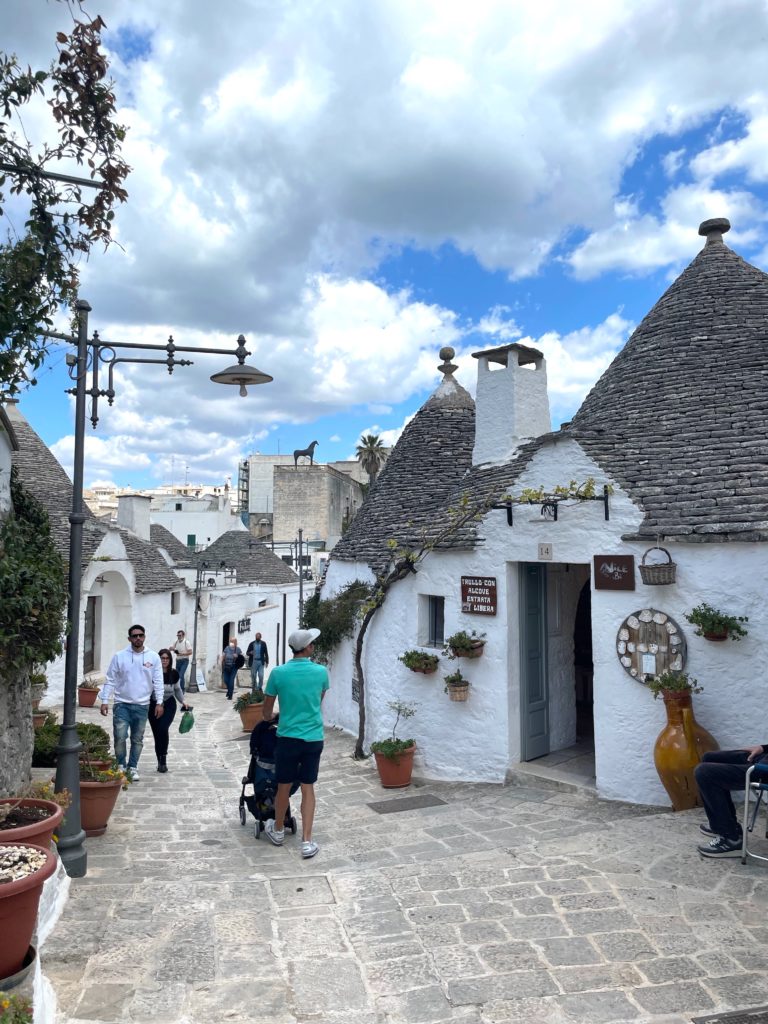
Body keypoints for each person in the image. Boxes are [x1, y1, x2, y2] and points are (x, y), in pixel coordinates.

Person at [262, 627, 329, 859]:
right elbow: (317, 702)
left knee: (283, 786)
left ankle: (279, 831)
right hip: (312, 738)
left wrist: (275, 717)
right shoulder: (321, 672)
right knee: (308, 787)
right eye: (313, 643)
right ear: (308, 648)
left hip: (287, 738)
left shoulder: (278, 673)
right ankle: (307, 842)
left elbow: (266, 712)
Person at [98, 625, 163, 781]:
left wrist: (159, 702)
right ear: (129, 638)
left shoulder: (153, 657)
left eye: (141, 635)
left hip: (142, 705)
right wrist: (105, 700)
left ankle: (133, 767)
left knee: (137, 739)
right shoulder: (119, 656)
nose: (138, 638)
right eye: (135, 636)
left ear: (144, 637)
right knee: (120, 737)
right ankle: (121, 766)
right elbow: (111, 679)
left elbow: (158, 681)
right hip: (122, 704)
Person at [695, 744, 768, 857]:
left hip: (764, 770)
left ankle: (731, 838)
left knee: (704, 772)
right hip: (764, 759)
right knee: (709, 757)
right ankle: (723, 826)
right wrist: (763, 748)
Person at [150, 649, 192, 773]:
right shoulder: (152, 673)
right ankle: (160, 761)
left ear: (170, 660)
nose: (164, 660)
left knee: (163, 729)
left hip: (169, 704)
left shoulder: (174, 674)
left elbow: (177, 689)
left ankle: (164, 758)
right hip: (153, 705)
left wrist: (183, 701)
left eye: (167, 658)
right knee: (157, 733)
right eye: (162, 658)